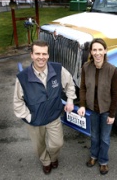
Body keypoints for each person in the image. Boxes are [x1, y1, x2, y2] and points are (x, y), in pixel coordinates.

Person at [13, 40, 77, 175]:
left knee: (57, 143)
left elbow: (70, 84)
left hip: (53, 116)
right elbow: (18, 102)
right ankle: (46, 162)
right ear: (32, 55)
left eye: (44, 54)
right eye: (37, 53)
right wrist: (29, 116)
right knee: (39, 146)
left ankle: (53, 157)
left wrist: (70, 100)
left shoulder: (58, 69)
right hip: (35, 121)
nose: (41, 57)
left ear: (48, 55)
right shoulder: (22, 77)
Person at [77, 38, 117, 175]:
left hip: (106, 111)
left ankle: (103, 161)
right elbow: (82, 88)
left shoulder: (112, 70)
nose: (97, 53)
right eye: (94, 50)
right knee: (94, 136)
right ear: (91, 52)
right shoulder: (86, 67)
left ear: (105, 51)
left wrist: (112, 114)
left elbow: (115, 94)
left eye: (100, 49)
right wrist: (82, 105)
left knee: (105, 138)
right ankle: (94, 156)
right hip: (92, 110)